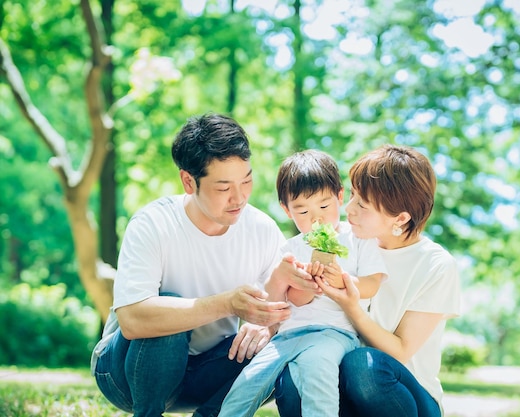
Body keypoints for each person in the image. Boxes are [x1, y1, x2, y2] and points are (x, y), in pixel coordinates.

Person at [90, 113, 316, 417]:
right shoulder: (153, 224)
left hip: (207, 374)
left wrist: (269, 328)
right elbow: (132, 320)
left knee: (282, 348)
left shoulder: (261, 229)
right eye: (223, 188)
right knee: (167, 309)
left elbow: (295, 310)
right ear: (188, 181)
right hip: (127, 375)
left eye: (246, 181)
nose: (239, 198)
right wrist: (228, 304)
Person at [274, 144, 462, 417]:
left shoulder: (436, 265)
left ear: (399, 218)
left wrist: (350, 304)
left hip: (405, 395)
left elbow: (400, 351)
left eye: (362, 204)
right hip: (344, 385)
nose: (348, 209)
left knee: (362, 365)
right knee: (294, 379)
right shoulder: (342, 241)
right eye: (352, 195)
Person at [217, 149, 388, 417]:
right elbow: (294, 300)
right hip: (288, 335)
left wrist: (343, 281)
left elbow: (372, 284)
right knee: (248, 383)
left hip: (333, 333)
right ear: (286, 210)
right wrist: (307, 284)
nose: (316, 218)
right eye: (303, 210)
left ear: (340, 197)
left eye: (324, 206)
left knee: (317, 370)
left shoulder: (357, 239)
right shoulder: (290, 249)